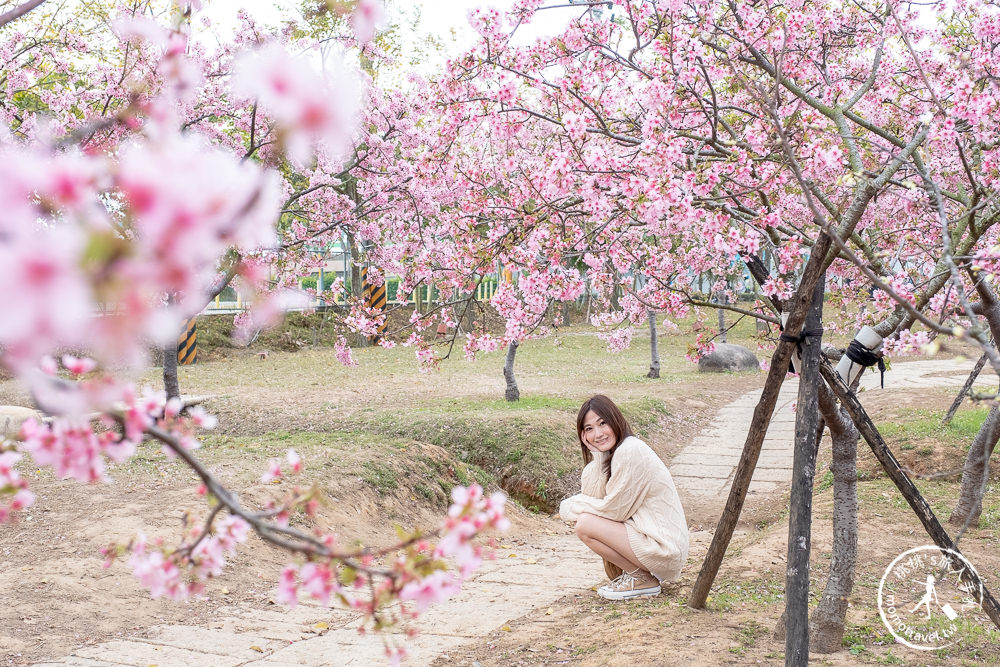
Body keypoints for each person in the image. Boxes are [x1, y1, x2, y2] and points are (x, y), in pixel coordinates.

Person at [559, 394, 689, 600]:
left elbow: (613, 511)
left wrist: (568, 507)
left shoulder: (629, 450)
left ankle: (642, 579)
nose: (598, 433)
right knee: (586, 522)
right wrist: (598, 455)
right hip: (656, 543)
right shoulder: (617, 453)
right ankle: (639, 577)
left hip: (664, 548)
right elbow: (594, 495)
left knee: (584, 524)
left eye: (603, 423)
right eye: (589, 429)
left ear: (615, 420)